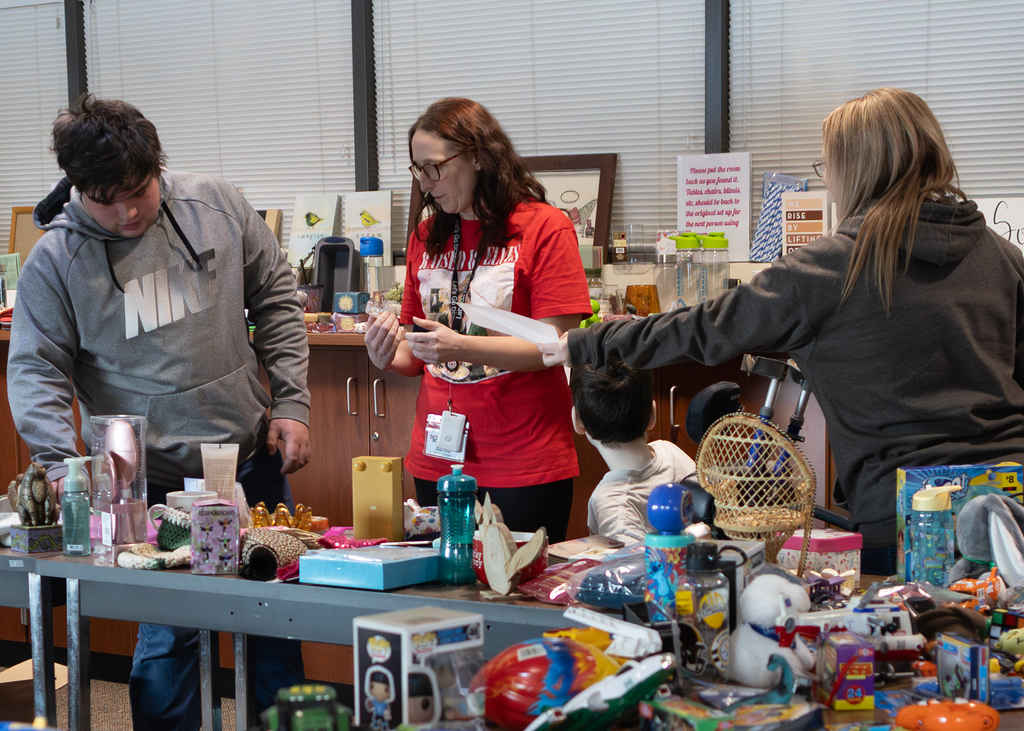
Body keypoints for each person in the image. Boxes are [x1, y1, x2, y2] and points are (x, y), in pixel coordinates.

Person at [541, 87, 1024, 577]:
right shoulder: (1003, 259)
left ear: (856, 169)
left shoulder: (829, 269)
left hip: (909, 520)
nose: (829, 180)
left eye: (828, 165)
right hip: (1011, 503)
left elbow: (705, 328)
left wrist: (589, 342)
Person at [7, 94, 312, 731]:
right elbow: (36, 371)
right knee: (169, 645)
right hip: (146, 490)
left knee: (275, 635)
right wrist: (65, 468)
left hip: (246, 466)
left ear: (158, 167)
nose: (126, 211)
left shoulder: (217, 206)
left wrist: (291, 401)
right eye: (105, 197)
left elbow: (279, 299)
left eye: (139, 191)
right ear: (77, 187)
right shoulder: (56, 262)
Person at [364, 97, 591, 543]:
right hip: (438, 461)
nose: (426, 184)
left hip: (524, 462)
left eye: (435, 167)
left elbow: (556, 344)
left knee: (516, 597)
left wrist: (463, 346)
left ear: (478, 156)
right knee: (445, 595)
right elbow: (415, 352)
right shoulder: (426, 236)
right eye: (417, 169)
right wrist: (386, 353)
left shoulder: (544, 227)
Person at [570, 361, 697, 545]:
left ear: (577, 421)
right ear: (652, 415)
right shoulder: (670, 451)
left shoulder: (610, 503)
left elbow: (627, 569)